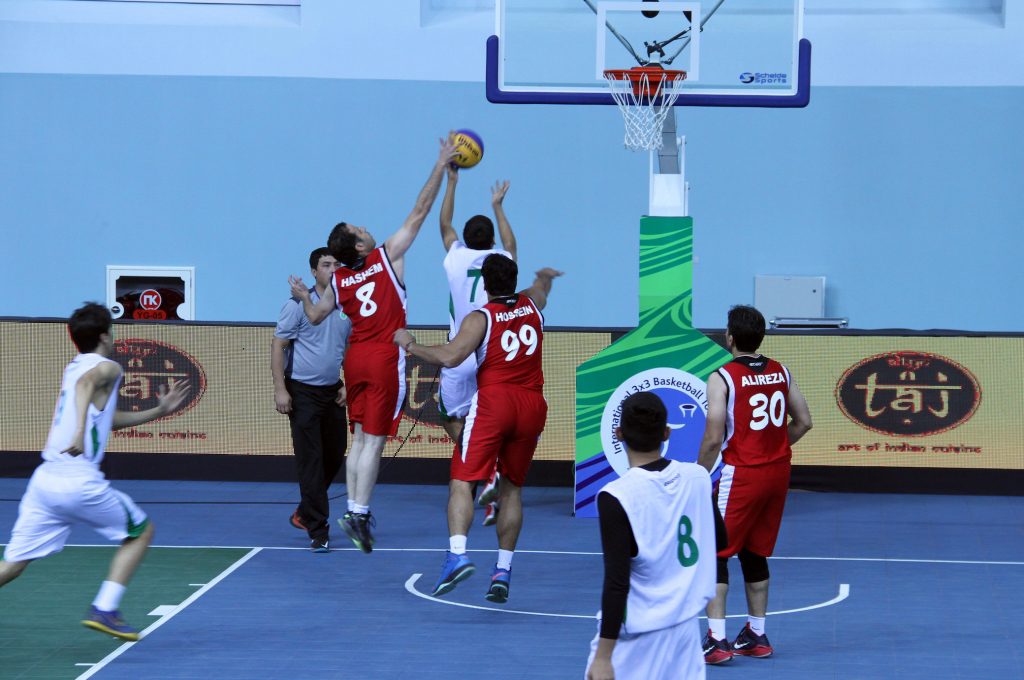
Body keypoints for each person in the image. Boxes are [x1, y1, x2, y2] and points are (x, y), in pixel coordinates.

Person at [289, 134, 458, 554]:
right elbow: (420, 212)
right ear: (360, 244)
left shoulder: (340, 279)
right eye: (359, 228)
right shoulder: (387, 256)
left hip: (355, 359)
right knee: (375, 441)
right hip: (384, 356)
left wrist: (302, 296)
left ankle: (355, 508)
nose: (366, 227)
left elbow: (313, 316)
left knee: (360, 439)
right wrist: (440, 165)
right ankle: (359, 512)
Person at [0, 302, 189, 641]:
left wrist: (157, 410)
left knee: (13, 564)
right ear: (104, 336)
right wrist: (76, 436)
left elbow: (107, 419)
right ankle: (105, 607)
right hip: (77, 480)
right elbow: (90, 383)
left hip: (44, 482)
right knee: (141, 532)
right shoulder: (107, 368)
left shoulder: (73, 366)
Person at [393, 255, 561, 602]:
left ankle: (457, 555)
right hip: (532, 406)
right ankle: (502, 570)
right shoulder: (532, 305)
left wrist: (409, 344)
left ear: (484, 283)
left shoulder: (481, 317)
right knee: (513, 489)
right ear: (514, 280)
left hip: (495, 403)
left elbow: (450, 357)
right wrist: (546, 276)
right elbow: (541, 289)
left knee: (462, 480)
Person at [695, 305, 813, 663]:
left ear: (729, 338)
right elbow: (804, 421)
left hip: (742, 474)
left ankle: (717, 640)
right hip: (777, 473)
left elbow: (714, 437)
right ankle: (756, 634)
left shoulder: (722, 377)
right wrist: (773, 449)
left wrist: (697, 476)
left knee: (716, 552)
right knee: (755, 550)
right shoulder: (781, 371)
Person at [585, 391, 716, 680]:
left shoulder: (616, 495)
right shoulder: (698, 478)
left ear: (618, 434)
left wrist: (604, 656)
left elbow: (617, 582)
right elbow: (721, 541)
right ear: (667, 432)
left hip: (636, 638)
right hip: (685, 632)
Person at [438, 166, 517, 527]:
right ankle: (491, 473)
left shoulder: (455, 258)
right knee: (488, 421)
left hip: (458, 353)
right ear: (490, 243)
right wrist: (498, 205)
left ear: (465, 240)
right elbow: (512, 245)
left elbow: (444, 224)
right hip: (490, 355)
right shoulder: (500, 262)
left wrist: (452, 181)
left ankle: (481, 470)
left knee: (450, 416)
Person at [273, 247, 352, 553]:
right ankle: (318, 529)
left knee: (335, 453)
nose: (333, 269)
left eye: (337, 264)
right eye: (326, 265)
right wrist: (281, 389)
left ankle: (306, 511)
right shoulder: (296, 305)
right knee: (311, 461)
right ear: (314, 272)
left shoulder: (346, 306)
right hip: (302, 392)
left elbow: (347, 348)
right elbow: (278, 346)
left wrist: (349, 383)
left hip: (333, 391)